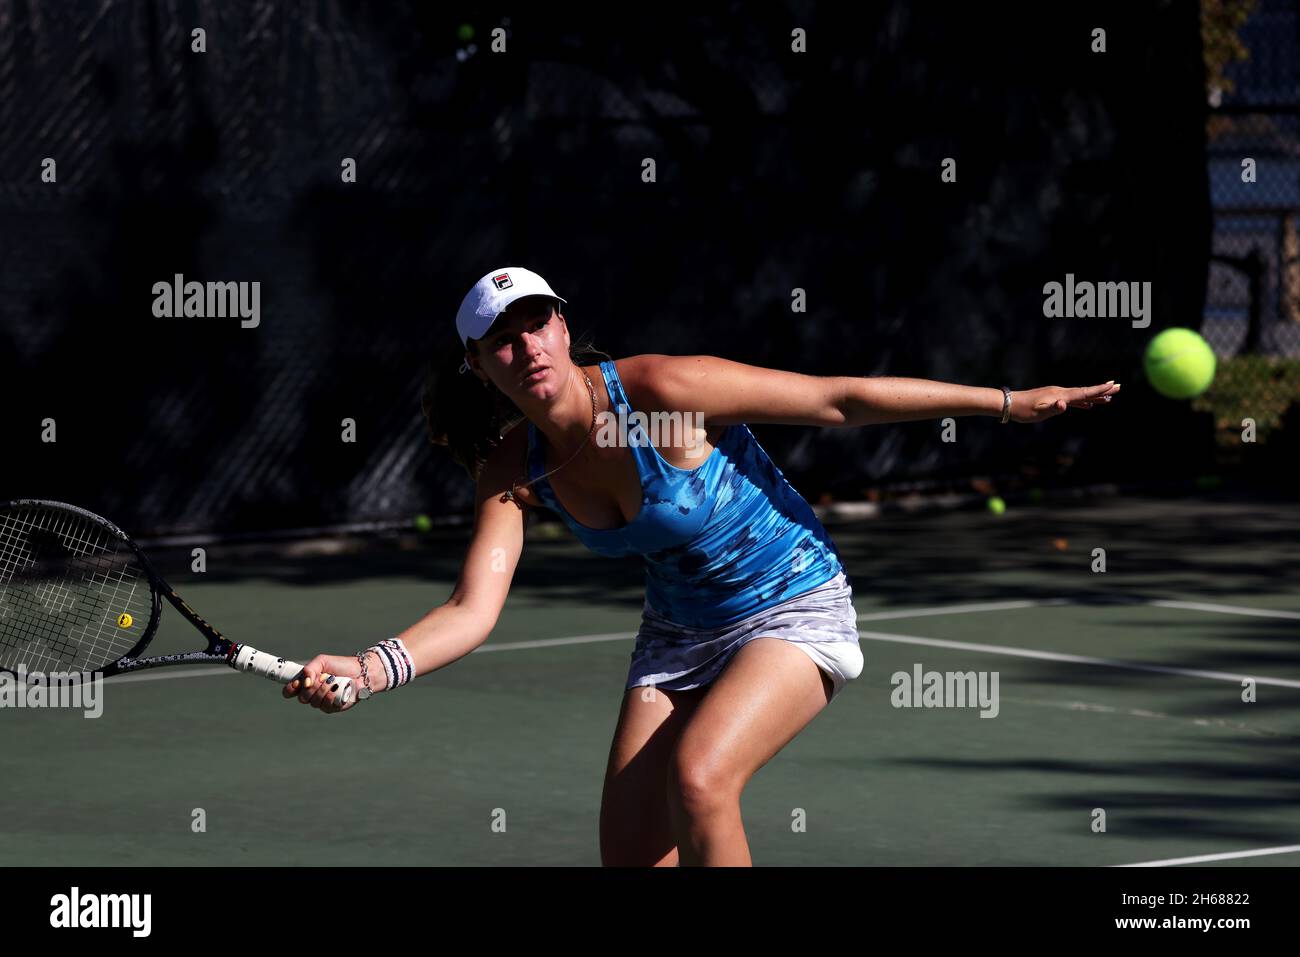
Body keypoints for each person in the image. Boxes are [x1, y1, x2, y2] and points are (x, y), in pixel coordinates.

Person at [284, 266, 1121, 866]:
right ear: (479, 365)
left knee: (701, 777)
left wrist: (1009, 404)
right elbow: (473, 608)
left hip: (794, 602)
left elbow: (838, 397)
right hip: (681, 634)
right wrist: (367, 667)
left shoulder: (658, 389)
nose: (527, 345)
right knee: (633, 854)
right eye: (501, 340)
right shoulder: (513, 466)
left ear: (563, 326)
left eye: (537, 322)